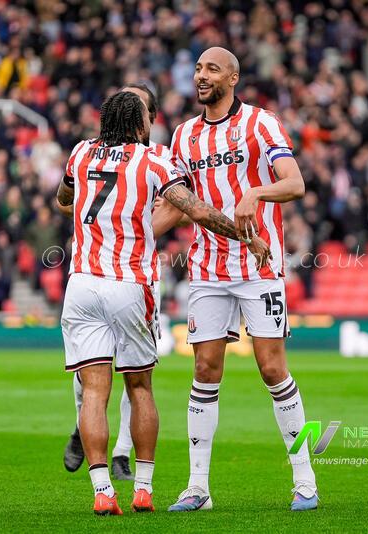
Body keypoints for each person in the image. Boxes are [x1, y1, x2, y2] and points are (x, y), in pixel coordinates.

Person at [56, 90, 269, 516]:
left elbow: (64, 202)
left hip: (81, 283)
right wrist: (247, 235)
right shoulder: (154, 159)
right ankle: (144, 489)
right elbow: (198, 211)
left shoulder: (79, 153)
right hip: (129, 283)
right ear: (140, 123)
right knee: (139, 387)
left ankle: (102, 492)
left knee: (94, 392)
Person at [159, 47, 318, 512]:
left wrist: (256, 191)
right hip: (207, 268)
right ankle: (198, 488)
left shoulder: (260, 124)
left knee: (273, 369)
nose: (200, 76)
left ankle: (305, 479)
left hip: (259, 267)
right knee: (205, 371)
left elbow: (295, 183)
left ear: (233, 77)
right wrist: (132, 234)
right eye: (197, 69)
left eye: (211, 69)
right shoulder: (184, 135)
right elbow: (176, 203)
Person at [62, 83, 172, 482]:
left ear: (150, 118)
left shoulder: (154, 159)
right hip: (112, 275)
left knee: (124, 377)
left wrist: (135, 231)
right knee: (120, 378)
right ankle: (88, 432)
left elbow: (65, 197)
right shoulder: (152, 161)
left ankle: (121, 453)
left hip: (115, 274)